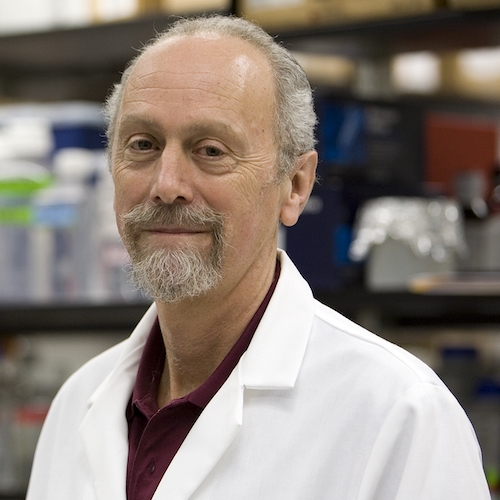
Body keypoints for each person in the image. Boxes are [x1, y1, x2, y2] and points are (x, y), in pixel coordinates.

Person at [27, 14, 490, 500]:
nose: (166, 186)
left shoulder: (399, 415)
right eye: (142, 145)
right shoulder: (78, 404)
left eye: (210, 150)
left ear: (295, 186)